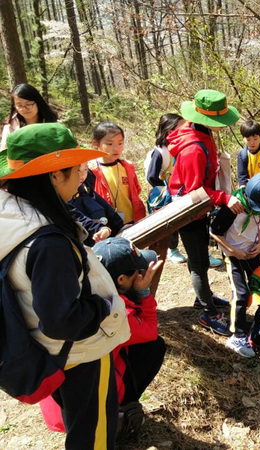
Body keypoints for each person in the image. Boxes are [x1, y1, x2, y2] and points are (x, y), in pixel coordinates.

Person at [0, 123, 130, 449]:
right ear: (54, 176)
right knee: (94, 436)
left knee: (80, 422)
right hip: (80, 353)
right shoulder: (47, 243)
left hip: (46, 347)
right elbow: (63, 320)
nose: (84, 176)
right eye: (78, 168)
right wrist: (104, 307)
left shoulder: (13, 212)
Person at [40, 237, 167, 441]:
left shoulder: (81, 293)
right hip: (86, 413)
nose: (141, 273)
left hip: (57, 407)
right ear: (121, 280)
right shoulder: (115, 313)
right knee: (155, 347)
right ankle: (116, 414)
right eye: (138, 272)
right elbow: (150, 331)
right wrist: (143, 292)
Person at [167, 89, 243, 336]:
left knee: (200, 259)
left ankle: (204, 297)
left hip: (199, 210)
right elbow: (193, 192)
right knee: (198, 262)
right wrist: (223, 197)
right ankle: (208, 313)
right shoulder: (194, 149)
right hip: (188, 212)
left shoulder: (202, 133)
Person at [210, 173, 260, 358]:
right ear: (247, 196)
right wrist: (233, 250)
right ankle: (237, 335)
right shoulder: (234, 207)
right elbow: (214, 231)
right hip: (234, 254)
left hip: (252, 251)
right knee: (241, 293)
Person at [144, 113, 188, 264]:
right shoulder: (160, 151)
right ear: (170, 132)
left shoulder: (178, 147)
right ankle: (172, 249)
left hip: (178, 192)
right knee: (170, 225)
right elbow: (151, 176)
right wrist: (166, 188)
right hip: (165, 195)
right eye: (182, 128)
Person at [87, 122, 147, 225]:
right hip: (108, 225)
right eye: (109, 144)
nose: (116, 148)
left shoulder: (128, 167)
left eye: (120, 143)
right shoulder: (90, 171)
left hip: (133, 220)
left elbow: (137, 190)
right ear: (96, 144)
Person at [68, 162, 124, 246]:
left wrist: (120, 226)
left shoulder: (85, 187)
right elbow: (78, 219)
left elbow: (105, 207)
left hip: (108, 237)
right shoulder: (64, 197)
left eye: (85, 169)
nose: (82, 176)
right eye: (77, 171)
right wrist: (98, 229)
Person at [1, 83, 59, 150]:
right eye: (19, 105)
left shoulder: (54, 125)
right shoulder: (10, 127)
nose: (24, 109)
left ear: (38, 102)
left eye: (28, 104)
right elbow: (4, 153)